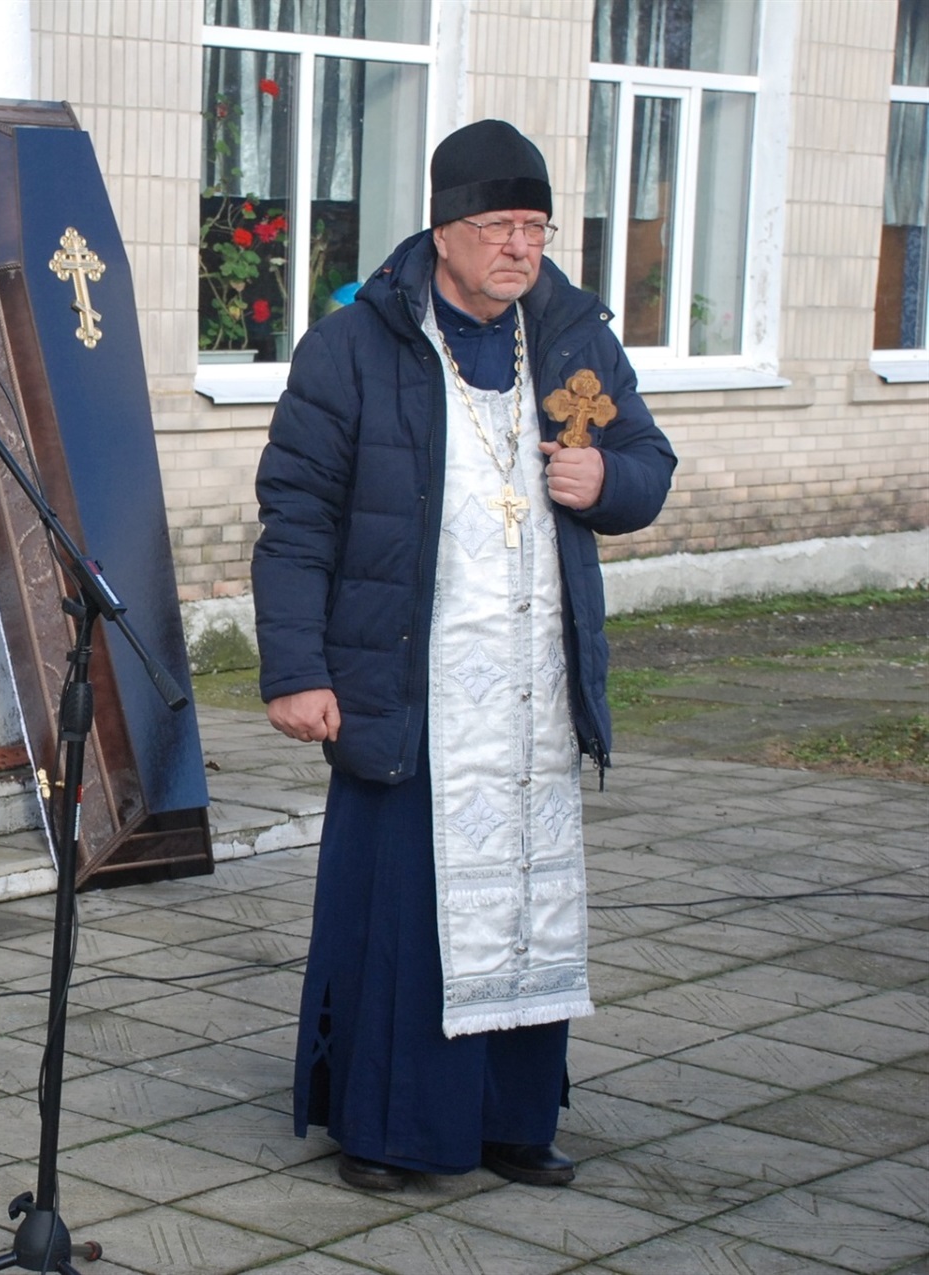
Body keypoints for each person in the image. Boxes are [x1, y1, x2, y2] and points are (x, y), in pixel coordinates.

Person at [252, 120, 676, 1192]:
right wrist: (295, 669)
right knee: (405, 916)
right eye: (498, 227)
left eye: (534, 228)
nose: (520, 248)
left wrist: (607, 487)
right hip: (406, 683)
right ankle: (391, 1132)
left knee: (527, 902)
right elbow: (295, 515)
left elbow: (645, 457)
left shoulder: (571, 333)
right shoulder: (352, 346)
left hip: (530, 688)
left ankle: (509, 1122)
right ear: (442, 229)